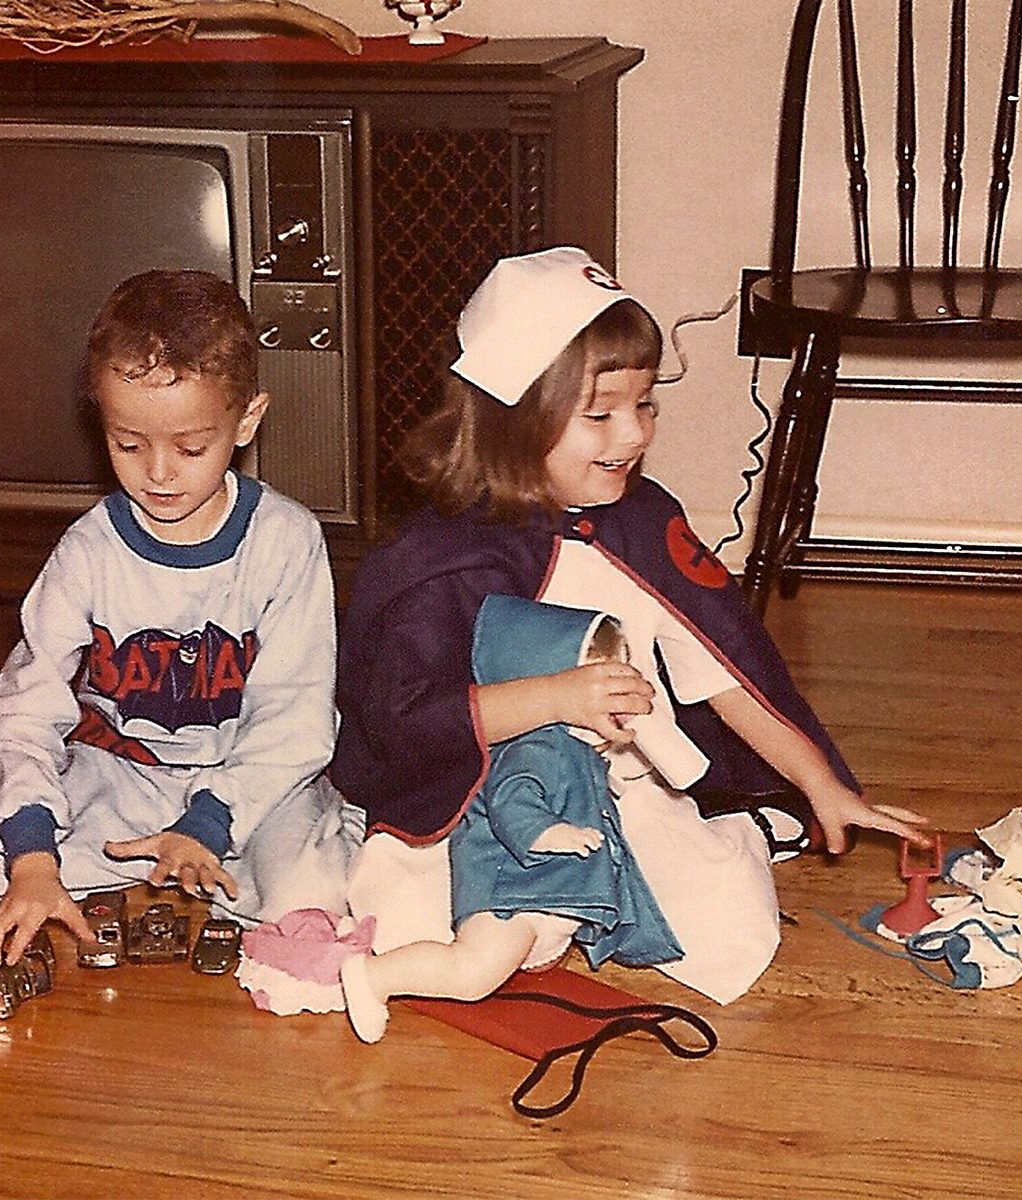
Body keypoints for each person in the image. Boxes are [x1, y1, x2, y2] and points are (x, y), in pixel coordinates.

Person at [330, 246, 930, 1005]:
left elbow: (727, 666)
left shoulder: (643, 524)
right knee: (402, 932)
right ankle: (545, 910)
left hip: (620, 790)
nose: (635, 434)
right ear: (512, 418)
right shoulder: (440, 558)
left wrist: (822, 783)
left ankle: (713, 845)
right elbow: (407, 721)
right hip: (472, 797)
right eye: (601, 414)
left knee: (731, 937)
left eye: (644, 404)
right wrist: (558, 696)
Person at [0, 269, 362, 971]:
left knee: (316, 897)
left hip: (245, 782)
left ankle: (198, 853)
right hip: (114, 774)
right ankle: (38, 823)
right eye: (129, 444)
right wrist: (29, 856)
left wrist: (210, 820)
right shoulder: (88, 551)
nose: (158, 473)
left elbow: (294, 715)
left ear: (246, 421)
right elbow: (29, 709)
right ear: (102, 423)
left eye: (191, 447)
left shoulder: (287, 540)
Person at [340, 594, 681, 1042]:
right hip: (511, 883)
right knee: (474, 972)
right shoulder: (536, 746)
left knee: (524, 949)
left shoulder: (573, 745)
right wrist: (547, 831)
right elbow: (511, 798)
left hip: (539, 886)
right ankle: (375, 976)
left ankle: (531, 947)